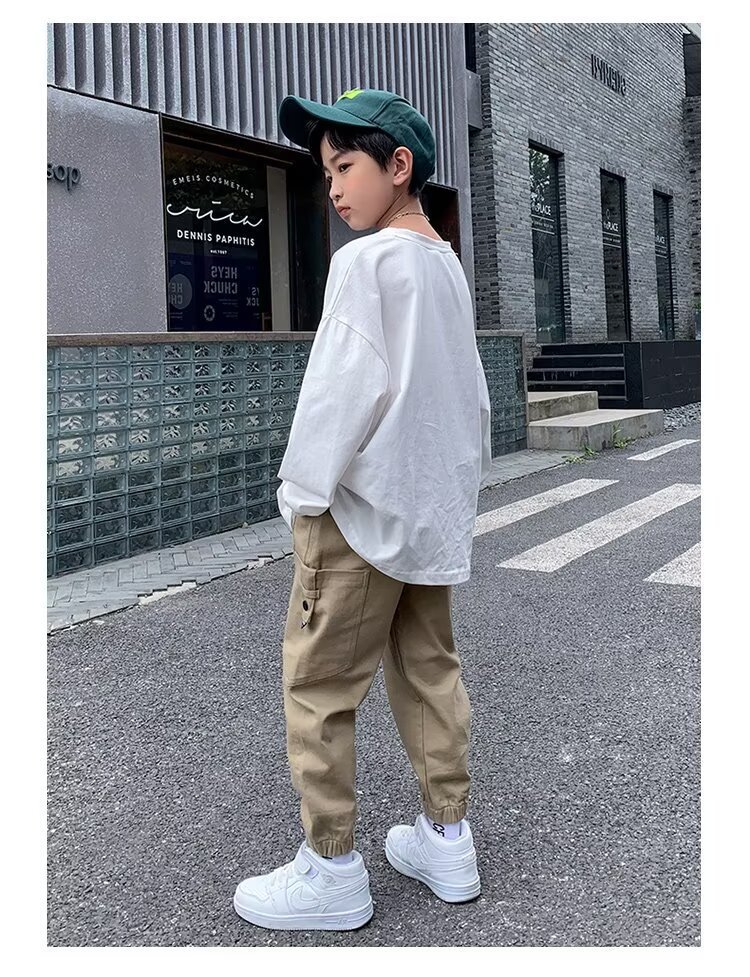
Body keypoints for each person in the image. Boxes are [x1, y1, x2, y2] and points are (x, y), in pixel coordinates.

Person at [233, 88, 493, 932]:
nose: (335, 187)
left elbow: (338, 392)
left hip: (357, 512)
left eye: (345, 165)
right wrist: (454, 497)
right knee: (429, 672)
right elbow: (471, 398)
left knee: (319, 684)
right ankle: (447, 839)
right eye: (327, 172)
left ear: (399, 165)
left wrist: (301, 496)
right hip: (426, 513)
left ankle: (332, 868)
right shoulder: (447, 267)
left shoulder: (366, 263)